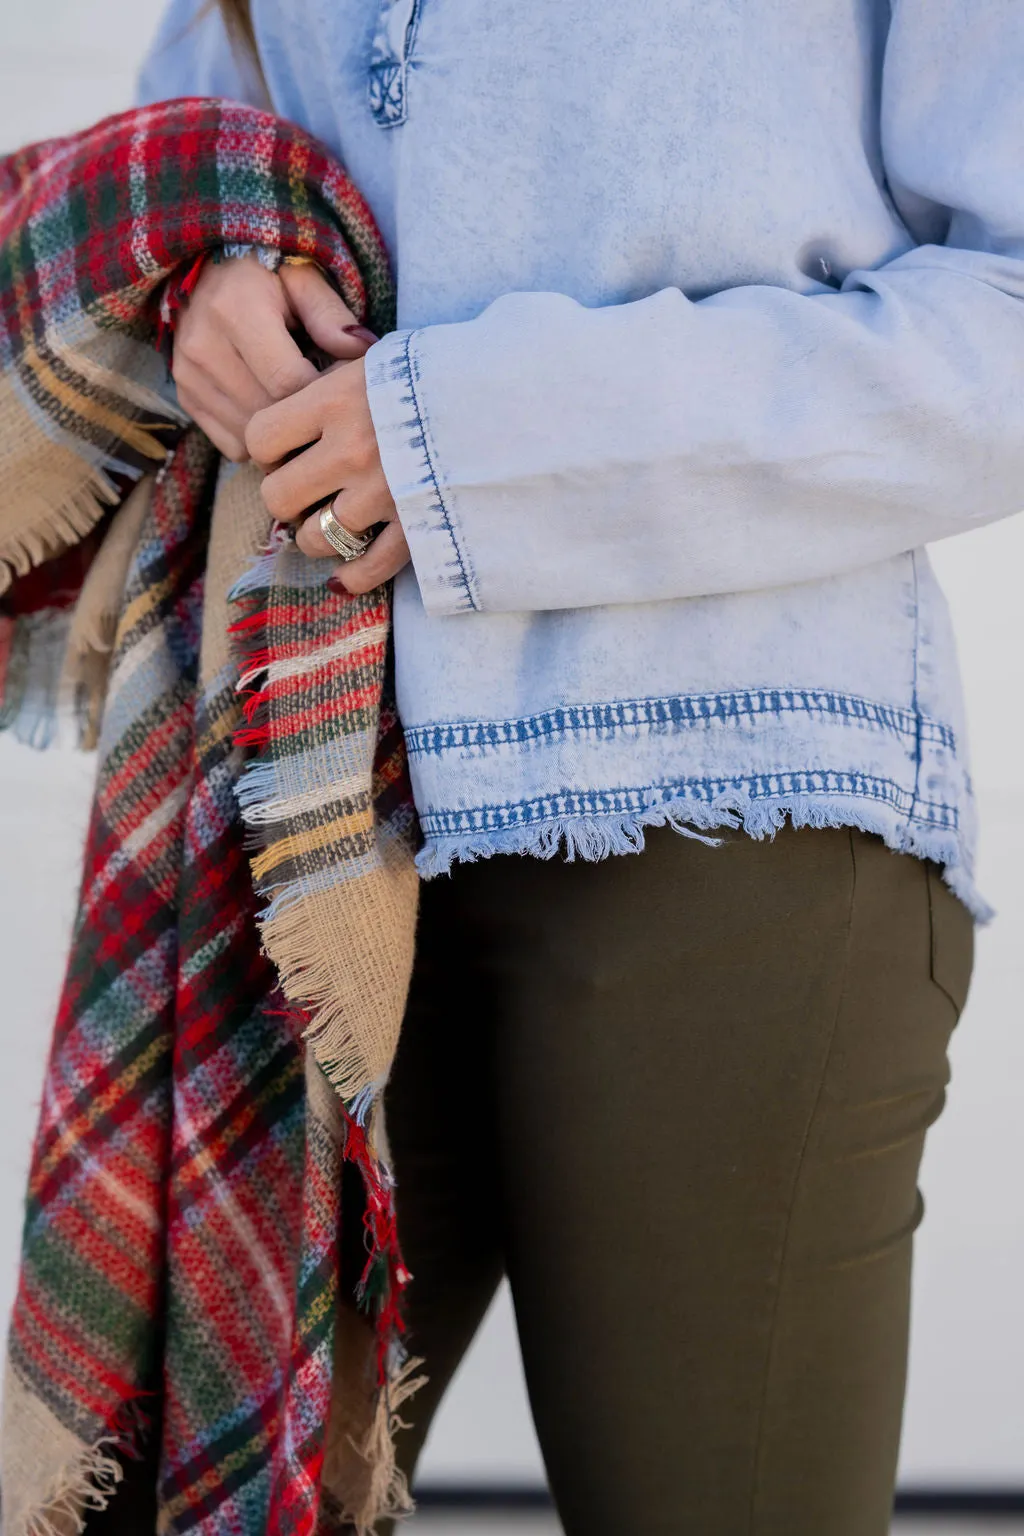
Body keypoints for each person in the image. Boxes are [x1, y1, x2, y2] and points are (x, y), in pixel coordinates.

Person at [130, 3, 1024, 1531]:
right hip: (313, 813)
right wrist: (203, 285)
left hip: (728, 805)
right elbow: (211, 128)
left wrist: (491, 442)